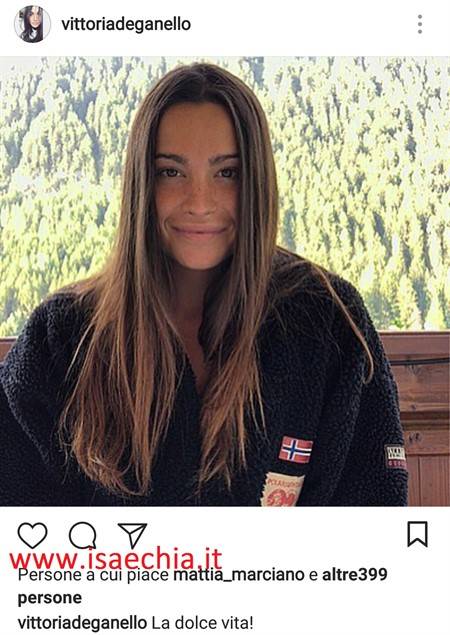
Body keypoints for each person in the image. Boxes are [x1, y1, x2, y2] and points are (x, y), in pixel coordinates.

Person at [0, 63, 408, 506]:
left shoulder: (328, 321)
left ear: (257, 181)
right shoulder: (61, 337)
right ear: (141, 184)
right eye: (171, 172)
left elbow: (375, 517)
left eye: (227, 172)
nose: (199, 203)